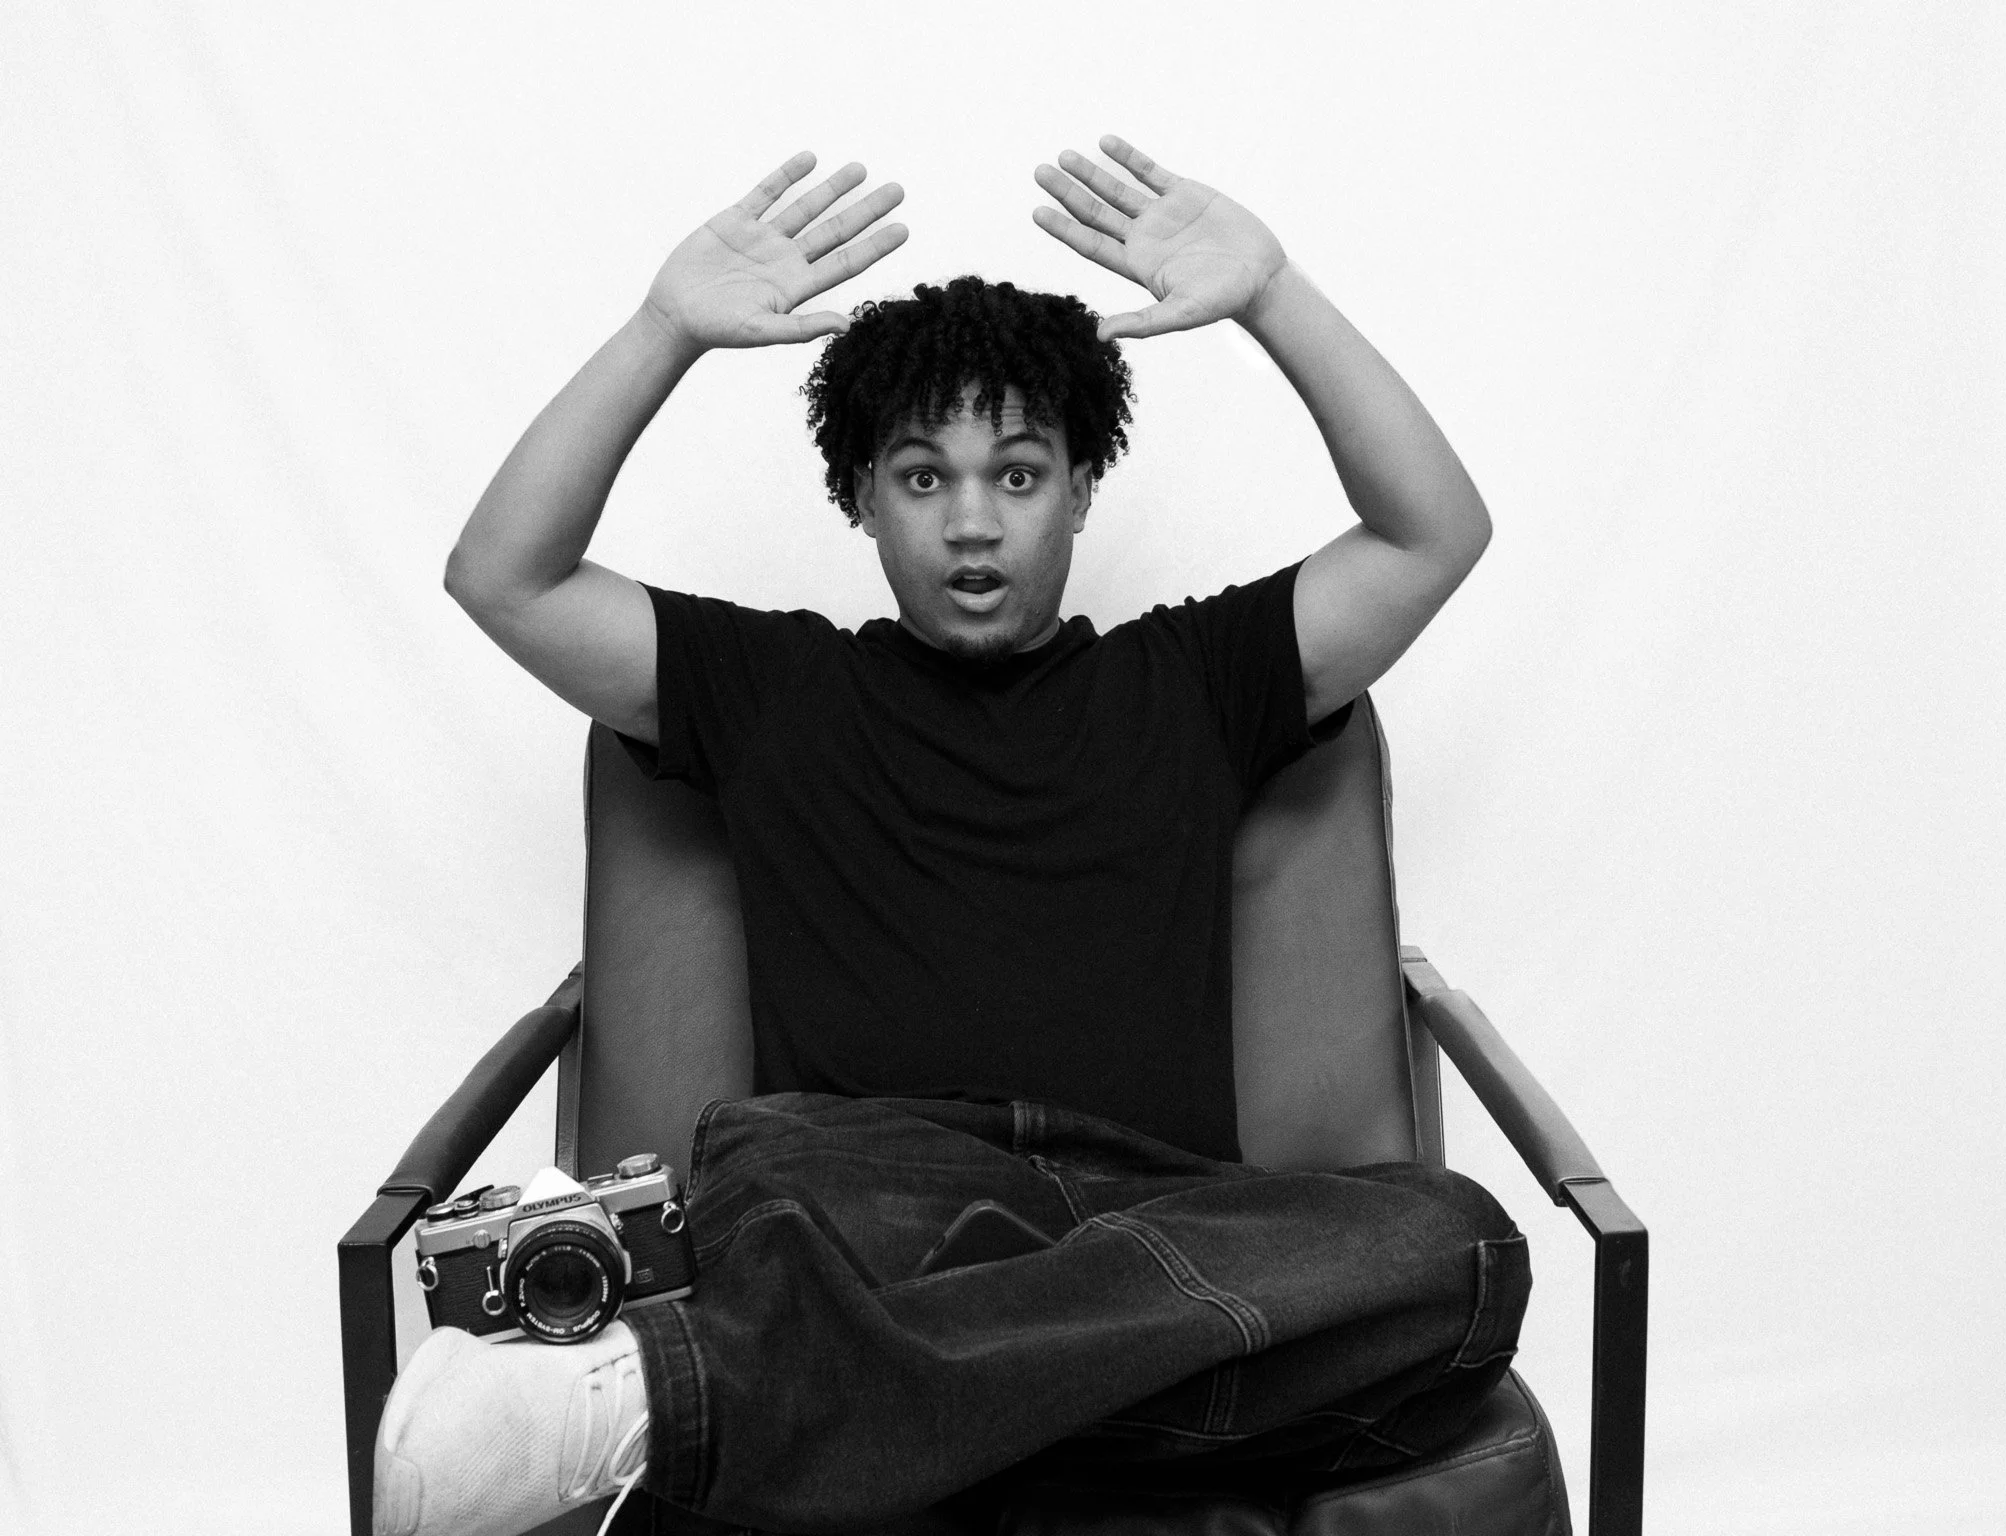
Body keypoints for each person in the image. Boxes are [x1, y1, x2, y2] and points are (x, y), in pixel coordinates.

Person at [374, 137, 1517, 1536]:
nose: (974, 524)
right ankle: (1056, 1410)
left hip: (1144, 1213)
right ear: (860, 500)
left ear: (1085, 488)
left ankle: (700, 1401)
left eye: (1020, 475)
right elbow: (503, 574)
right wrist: (663, 329)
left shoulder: (1195, 681)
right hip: (866, 1205)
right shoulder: (773, 688)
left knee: (1451, 1243)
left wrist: (1274, 294)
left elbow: (1432, 535)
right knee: (776, 1193)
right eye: (923, 480)